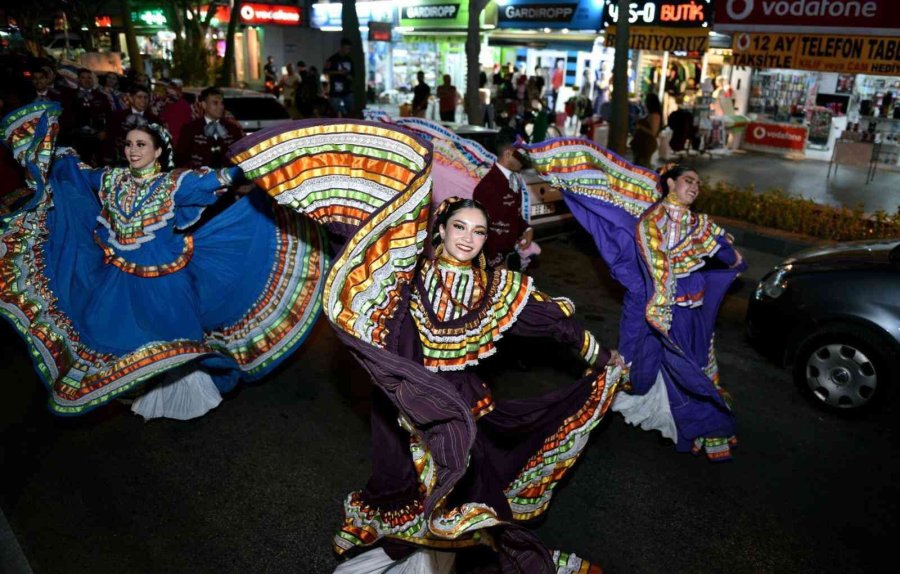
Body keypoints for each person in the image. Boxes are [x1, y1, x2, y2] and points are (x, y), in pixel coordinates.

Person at [227, 121, 627, 572]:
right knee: (413, 500)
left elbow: (553, 322)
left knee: (459, 504)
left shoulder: (496, 287)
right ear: (441, 229)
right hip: (406, 408)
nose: (468, 239)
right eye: (460, 227)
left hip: (461, 408)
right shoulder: (411, 277)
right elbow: (364, 250)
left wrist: (599, 355)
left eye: (478, 232)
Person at [0, 102, 326, 418]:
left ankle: (183, 395)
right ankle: (140, 385)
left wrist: (270, 160)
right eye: (128, 144)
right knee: (117, 334)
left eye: (141, 144)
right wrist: (43, 148)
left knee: (174, 340)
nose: (133, 150)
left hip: (166, 281)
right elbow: (72, 172)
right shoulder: (111, 179)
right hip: (119, 278)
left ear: (157, 151)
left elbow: (221, 179)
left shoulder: (175, 184)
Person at [519, 139, 747, 461]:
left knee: (689, 363)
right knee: (647, 365)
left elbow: (722, 248)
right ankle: (634, 401)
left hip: (688, 310)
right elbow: (655, 265)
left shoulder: (700, 224)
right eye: (688, 180)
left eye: (698, 182)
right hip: (657, 308)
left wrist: (735, 259)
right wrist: (659, 305)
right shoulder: (650, 223)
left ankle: (690, 419)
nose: (695, 186)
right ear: (670, 183)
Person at [472, 127, 534, 270]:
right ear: (508, 154)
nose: (524, 160)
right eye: (521, 155)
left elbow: (513, 214)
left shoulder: (513, 179)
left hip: (510, 257)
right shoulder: (487, 187)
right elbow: (480, 230)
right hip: (492, 266)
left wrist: (527, 229)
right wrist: (496, 263)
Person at [175, 86, 245, 170]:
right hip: (199, 179)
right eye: (215, 103)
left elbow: (241, 154)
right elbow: (181, 158)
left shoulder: (233, 129)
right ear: (204, 105)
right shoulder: (191, 129)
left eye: (222, 103)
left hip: (228, 178)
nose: (220, 107)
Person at [104, 83, 160, 165]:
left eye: (146, 97)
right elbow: (110, 139)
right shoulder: (117, 117)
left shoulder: (154, 120)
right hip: (119, 162)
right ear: (131, 98)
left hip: (145, 163)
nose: (143, 101)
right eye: (139, 97)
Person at [68, 68, 111, 166]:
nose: (87, 80)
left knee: (98, 165)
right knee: (80, 165)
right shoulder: (71, 96)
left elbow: (109, 116)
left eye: (89, 78)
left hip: (97, 136)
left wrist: (104, 131)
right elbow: (68, 116)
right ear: (78, 80)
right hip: (77, 138)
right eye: (83, 78)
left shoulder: (101, 97)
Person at [324, 38, 354, 117]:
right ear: (342, 47)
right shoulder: (333, 59)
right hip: (335, 90)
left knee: (350, 109)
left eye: (349, 49)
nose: (348, 50)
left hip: (347, 89)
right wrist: (338, 73)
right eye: (346, 48)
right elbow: (326, 71)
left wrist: (349, 77)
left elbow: (352, 74)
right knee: (336, 109)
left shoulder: (349, 60)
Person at [631, 92, 663, 168]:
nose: (645, 103)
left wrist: (641, 127)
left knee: (642, 165)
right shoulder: (649, 114)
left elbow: (653, 133)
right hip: (642, 143)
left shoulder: (655, 116)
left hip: (646, 144)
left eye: (646, 101)